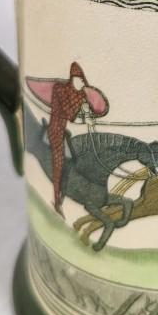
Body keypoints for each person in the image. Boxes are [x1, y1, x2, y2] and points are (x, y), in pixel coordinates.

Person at [48, 61, 91, 214]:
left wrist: (86, 110)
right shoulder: (60, 89)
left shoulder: (78, 93)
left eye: (83, 81)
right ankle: (56, 200)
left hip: (64, 130)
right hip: (55, 130)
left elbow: (83, 108)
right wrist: (85, 118)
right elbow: (70, 114)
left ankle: (64, 193)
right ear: (74, 78)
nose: (82, 84)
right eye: (81, 80)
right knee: (58, 162)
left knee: (74, 161)